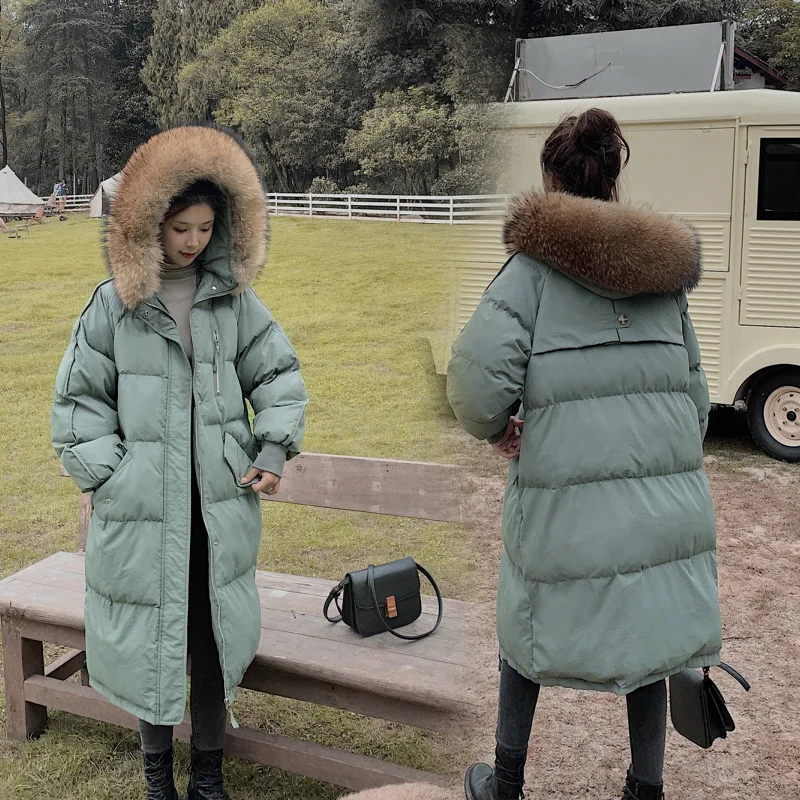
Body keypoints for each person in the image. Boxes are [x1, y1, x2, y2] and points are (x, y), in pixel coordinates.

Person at [447, 108, 722, 800]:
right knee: (653, 642)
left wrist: (498, 429)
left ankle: (507, 783)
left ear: (550, 178)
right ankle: (645, 789)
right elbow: (695, 398)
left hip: (563, 505)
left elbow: (475, 385)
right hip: (663, 507)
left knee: (527, 626)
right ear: (614, 179)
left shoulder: (531, 270)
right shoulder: (665, 277)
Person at [51, 126, 309, 800]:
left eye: (204, 228)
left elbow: (278, 374)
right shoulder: (114, 306)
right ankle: (157, 777)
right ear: (147, 226)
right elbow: (78, 402)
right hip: (144, 513)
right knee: (152, 641)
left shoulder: (233, 302)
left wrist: (272, 445)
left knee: (210, 640)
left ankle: (209, 776)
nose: (192, 241)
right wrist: (112, 474)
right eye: (179, 228)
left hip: (216, 510)